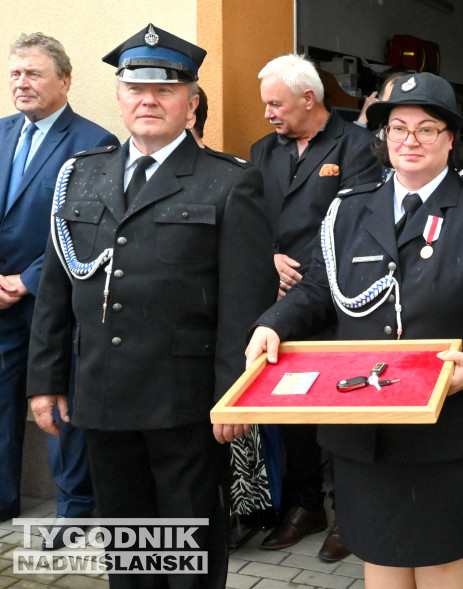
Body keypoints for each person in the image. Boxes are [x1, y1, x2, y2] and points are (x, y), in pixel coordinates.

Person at [244, 72, 463, 589]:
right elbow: (318, 289)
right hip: (363, 429)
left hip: (447, 426)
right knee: (378, 551)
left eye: (427, 129)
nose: (410, 140)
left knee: (441, 557)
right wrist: (272, 324)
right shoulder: (349, 208)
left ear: (449, 138)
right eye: (397, 128)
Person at [25, 23, 277, 589]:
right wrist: (45, 380)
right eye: (135, 88)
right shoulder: (82, 177)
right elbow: (59, 289)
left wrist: (234, 398)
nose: (148, 100)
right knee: (128, 548)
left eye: (165, 90)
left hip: (185, 404)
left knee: (187, 547)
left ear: (190, 104)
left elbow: (244, 305)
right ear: (118, 97)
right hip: (102, 393)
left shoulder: (230, 183)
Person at [249, 53, 378, 560]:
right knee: (292, 408)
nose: (267, 114)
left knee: (342, 414)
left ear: (309, 98)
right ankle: (306, 505)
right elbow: (250, 221)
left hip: (340, 303)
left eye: (275, 104)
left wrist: (303, 276)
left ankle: (348, 514)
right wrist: (269, 260)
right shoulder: (263, 151)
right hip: (282, 303)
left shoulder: (360, 147)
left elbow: (359, 229)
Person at [0, 33, 118, 532]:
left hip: (58, 299)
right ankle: (5, 503)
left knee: (60, 409)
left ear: (65, 81)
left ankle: (74, 511)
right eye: (15, 73)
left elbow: (84, 232)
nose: (21, 83)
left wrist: (25, 280)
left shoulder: (95, 142)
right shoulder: (1, 133)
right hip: (1, 304)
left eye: (34, 73)